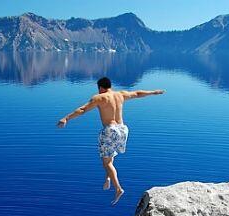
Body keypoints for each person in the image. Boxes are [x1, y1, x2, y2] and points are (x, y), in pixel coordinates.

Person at [57, 77, 164, 205]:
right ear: (110, 86)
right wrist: (153, 92)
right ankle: (108, 176)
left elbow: (82, 110)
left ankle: (118, 189)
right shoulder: (120, 94)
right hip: (123, 130)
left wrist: (66, 118)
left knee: (106, 162)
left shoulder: (99, 97)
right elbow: (137, 93)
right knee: (111, 153)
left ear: (100, 87)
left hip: (110, 130)